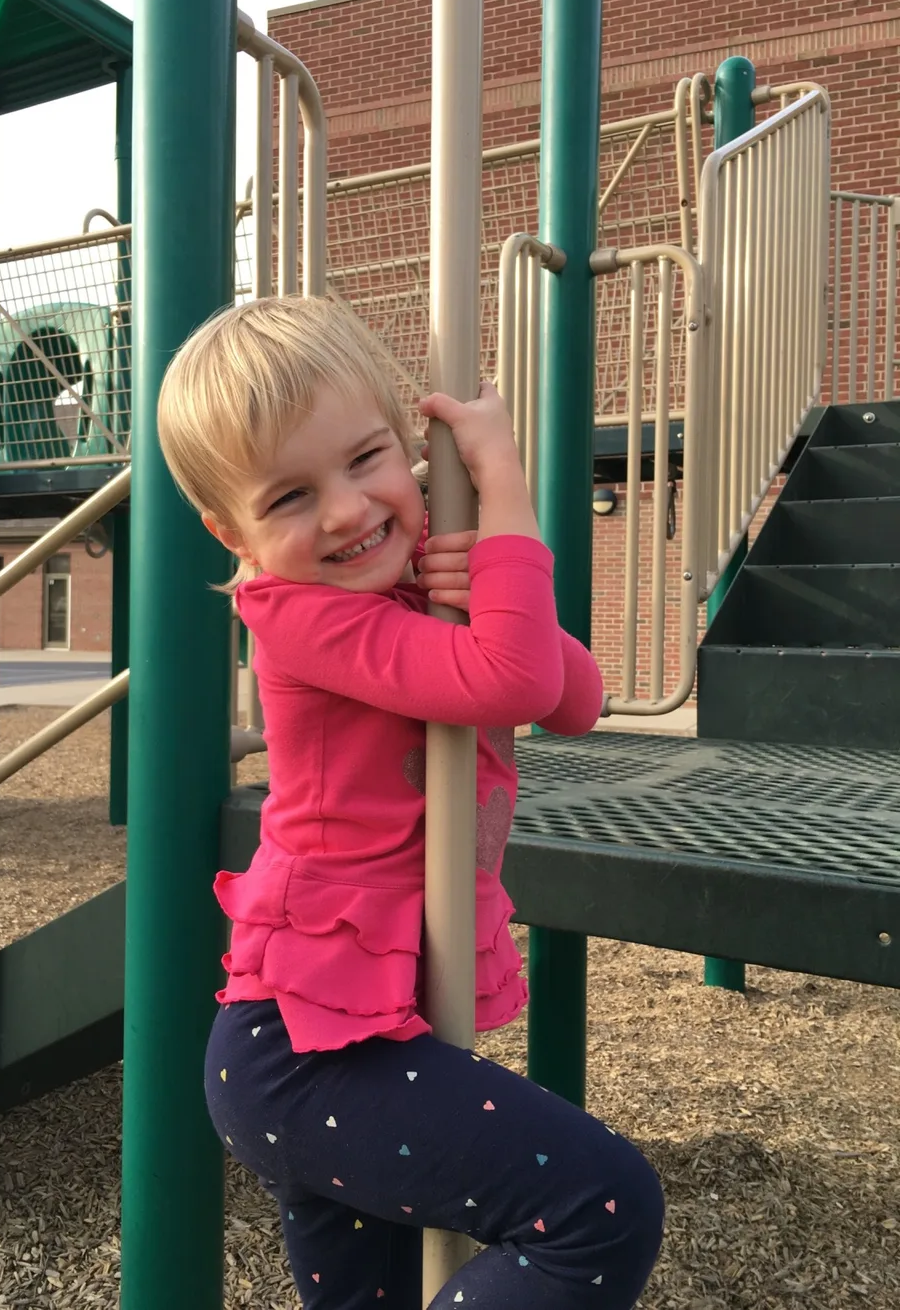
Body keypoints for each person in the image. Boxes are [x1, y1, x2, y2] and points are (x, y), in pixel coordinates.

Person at [157, 295, 664, 1310]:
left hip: (351, 1035)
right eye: (290, 497)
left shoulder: (412, 592)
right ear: (233, 534)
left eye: (365, 458)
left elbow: (574, 696)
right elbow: (511, 685)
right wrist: (505, 492)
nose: (346, 510)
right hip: (297, 1056)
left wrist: (487, 579)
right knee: (598, 1204)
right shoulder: (297, 616)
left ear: (406, 441)